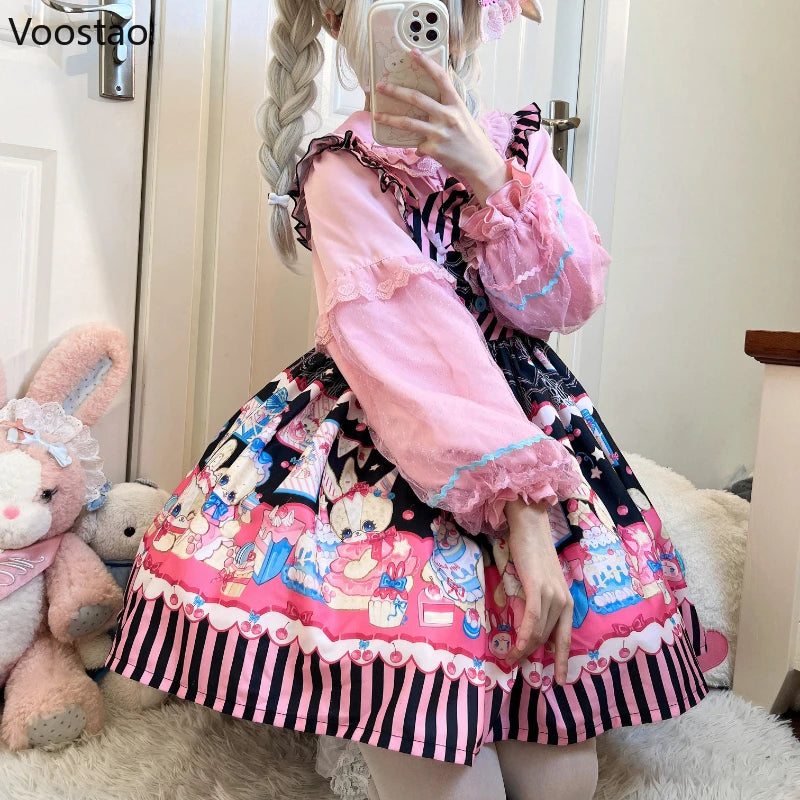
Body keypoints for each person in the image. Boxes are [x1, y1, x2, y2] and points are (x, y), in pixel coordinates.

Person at [107, 1, 709, 798]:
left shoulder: (518, 149)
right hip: (389, 433)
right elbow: (408, 343)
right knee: (431, 728)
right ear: (340, 20)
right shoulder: (339, 166)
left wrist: (487, 173)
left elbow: (568, 298)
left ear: (465, 22)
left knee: (560, 764)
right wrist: (524, 510)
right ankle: (389, 729)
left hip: (525, 422)